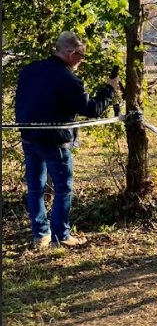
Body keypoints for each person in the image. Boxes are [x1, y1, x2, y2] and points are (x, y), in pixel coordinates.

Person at [15, 31, 120, 249]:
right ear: (71, 53)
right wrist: (109, 89)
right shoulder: (68, 78)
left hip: (30, 139)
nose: (81, 61)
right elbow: (92, 110)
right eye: (81, 56)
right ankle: (60, 236)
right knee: (63, 188)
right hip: (56, 143)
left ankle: (40, 236)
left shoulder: (29, 70)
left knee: (35, 188)